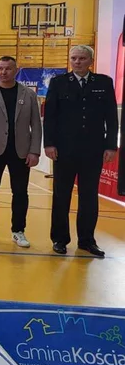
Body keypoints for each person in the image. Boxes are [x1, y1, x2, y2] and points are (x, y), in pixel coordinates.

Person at [44, 45, 118, 257]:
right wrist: (49, 144)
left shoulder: (103, 83)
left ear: (91, 61)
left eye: (82, 58)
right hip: (64, 149)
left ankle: (87, 240)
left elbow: (111, 117)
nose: (77, 62)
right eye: (74, 58)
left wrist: (110, 145)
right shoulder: (58, 83)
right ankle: (60, 239)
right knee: (61, 195)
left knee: (89, 196)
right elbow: (50, 116)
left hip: (93, 150)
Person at [0, 56, 41, 248]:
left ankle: (18, 231)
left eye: (8, 69)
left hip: (20, 152)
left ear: (16, 70)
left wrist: (34, 151)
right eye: (0, 69)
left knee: (20, 192)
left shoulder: (29, 95)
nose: (3, 72)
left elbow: (36, 125)